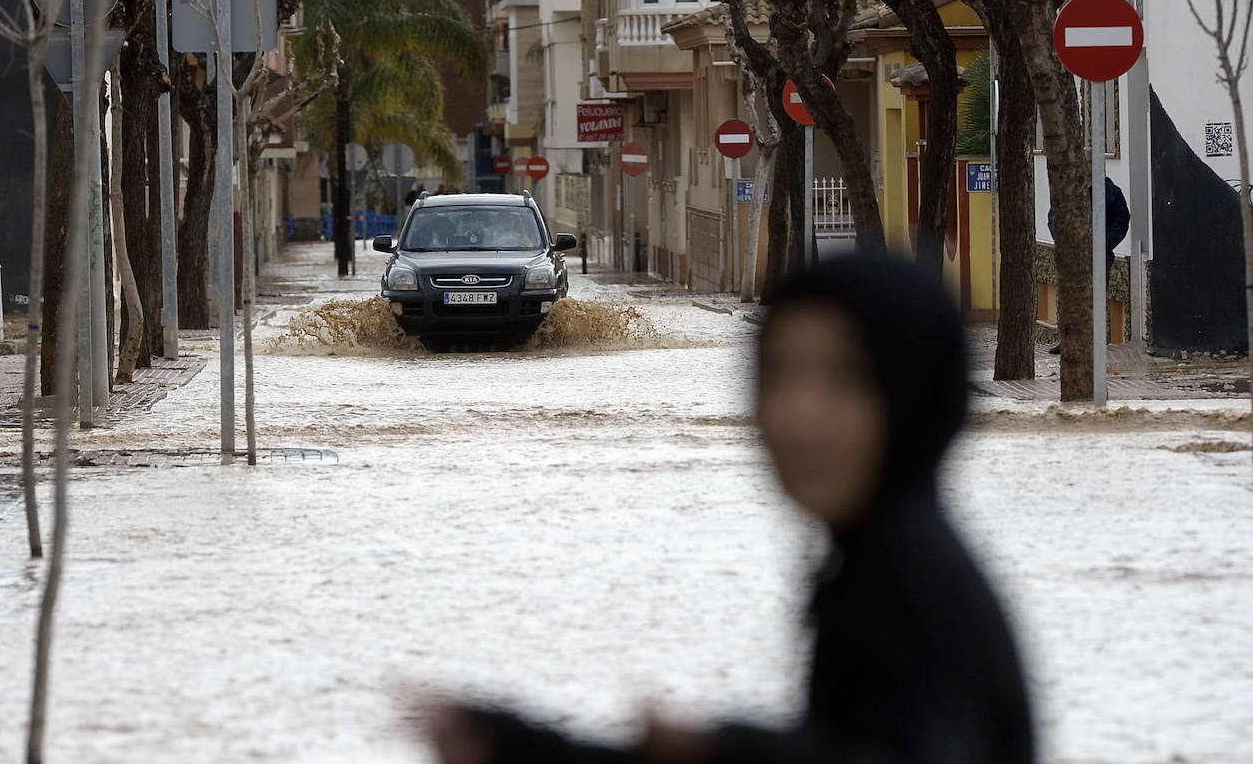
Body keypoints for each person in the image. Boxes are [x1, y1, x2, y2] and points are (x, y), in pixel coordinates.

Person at [429, 254, 1035, 764]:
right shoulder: (878, 556)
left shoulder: (908, 580)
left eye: (846, 379)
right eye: (777, 374)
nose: (797, 414)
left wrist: (724, 749)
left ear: (915, 393)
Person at [1046, 172, 1130, 354]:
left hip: (1100, 257)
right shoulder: (1068, 189)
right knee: (1071, 298)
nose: (1085, 166)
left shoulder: (1111, 192)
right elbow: (1053, 218)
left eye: (1089, 163)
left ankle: (1096, 341)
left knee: (1096, 299)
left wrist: (1104, 244)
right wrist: (1064, 241)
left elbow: (1122, 221)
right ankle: (1068, 340)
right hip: (1072, 257)